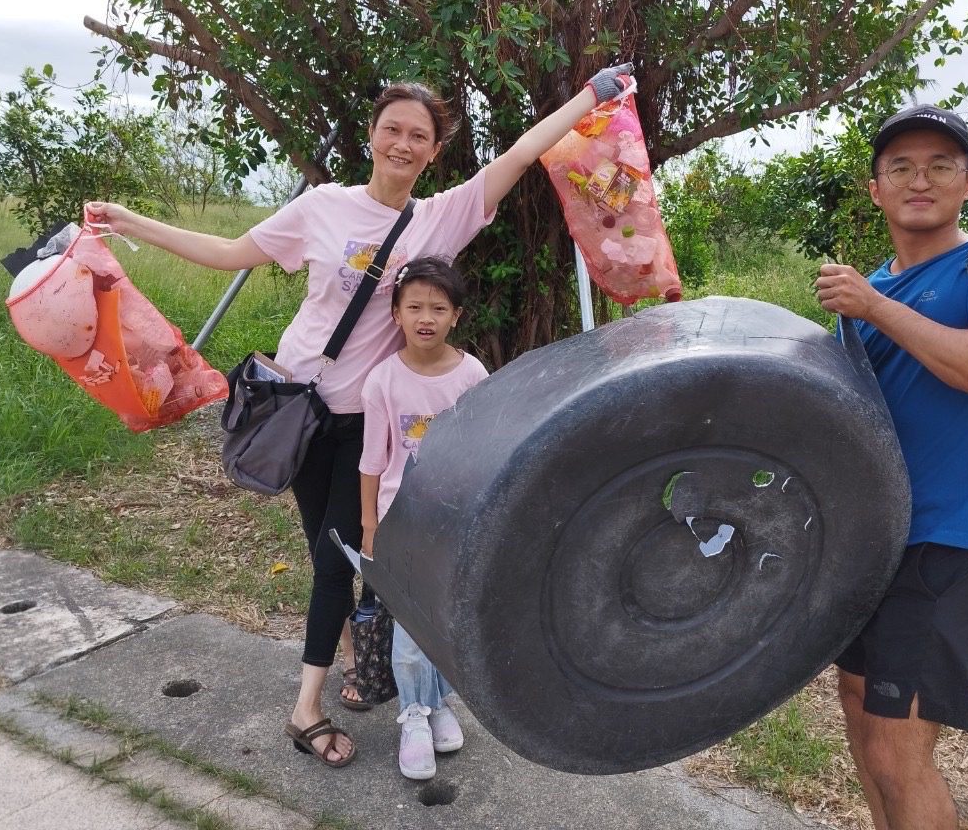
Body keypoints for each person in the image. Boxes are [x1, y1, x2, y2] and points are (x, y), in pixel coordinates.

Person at [84, 63, 633, 769]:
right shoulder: (322, 207)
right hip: (292, 410)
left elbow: (521, 154)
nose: (402, 144)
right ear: (372, 136)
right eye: (391, 130)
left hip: (359, 422)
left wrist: (593, 95)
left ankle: (304, 708)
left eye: (419, 136)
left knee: (329, 563)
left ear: (434, 152)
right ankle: (359, 660)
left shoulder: (440, 217)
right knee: (328, 547)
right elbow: (227, 254)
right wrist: (129, 222)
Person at [814, 104, 968, 829]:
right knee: (861, 723)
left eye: (941, 164)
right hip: (865, 538)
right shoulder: (862, 296)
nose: (921, 179)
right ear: (875, 189)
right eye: (901, 167)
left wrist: (874, 306)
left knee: (898, 753)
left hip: (945, 537)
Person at [357, 257, 485, 780]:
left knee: (444, 618)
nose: (425, 317)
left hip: (454, 520)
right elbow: (371, 460)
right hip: (400, 521)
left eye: (438, 307)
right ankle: (412, 716)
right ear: (396, 314)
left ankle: (437, 704)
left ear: (456, 315)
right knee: (410, 625)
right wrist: (369, 524)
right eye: (414, 307)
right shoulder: (382, 381)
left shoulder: (474, 374)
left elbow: (485, 448)